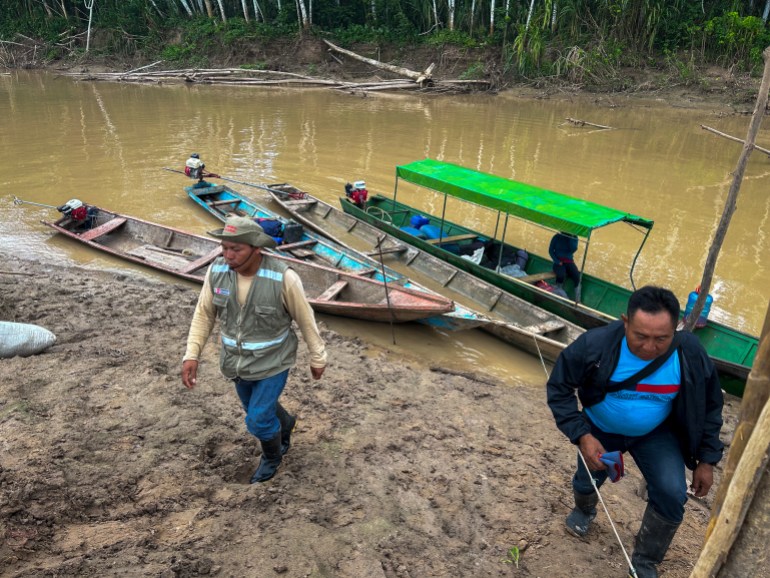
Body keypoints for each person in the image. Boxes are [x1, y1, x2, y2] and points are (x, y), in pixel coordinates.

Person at [546, 286, 723, 578]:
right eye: (640, 336)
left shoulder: (689, 352)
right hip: (600, 428)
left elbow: (711, 405)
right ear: (625, 321)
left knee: (671, 491)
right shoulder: (595, 345)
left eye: (661, 339)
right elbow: (559, 387)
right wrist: (582, 435)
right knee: (588, 478)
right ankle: (585, 509)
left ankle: (646, 560)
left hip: (655, 433)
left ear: (675, 330)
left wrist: (707, 460)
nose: (649, 347)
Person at [181, 215, 327, 484]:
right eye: (224, 247)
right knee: (260, 411)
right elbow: (204, 314)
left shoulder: (284, 278)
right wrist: (192, 354)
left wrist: (318, 356)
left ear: (256, 249)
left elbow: (306, 319)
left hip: (274, 362)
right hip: (237, 363)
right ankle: (286, 424)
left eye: (236, 249)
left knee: (258, 420)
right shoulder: (216, 273)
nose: (228, 255)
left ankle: (272, 457)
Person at [548, 231, 581, 300]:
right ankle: (558, 290)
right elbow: (551, 250)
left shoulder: (574, 238)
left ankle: (578, 300)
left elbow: (573, 249)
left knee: (577, 277)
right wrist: (557, 261)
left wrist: (571, 237)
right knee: (561, 275)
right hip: (558, 262)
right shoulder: (556, 237)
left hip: (569, 261)